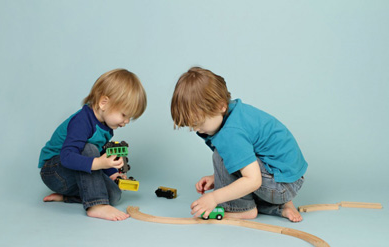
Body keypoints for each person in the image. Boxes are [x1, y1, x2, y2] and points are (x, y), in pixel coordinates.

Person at [171, 67, 307, 222]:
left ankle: (241, 209)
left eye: (199, 123)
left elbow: (253, 180)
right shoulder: (234, 112)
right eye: (191, 125)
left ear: (221, 106)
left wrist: (214, 198)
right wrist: (217, 177)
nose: (196, 129)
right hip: (289, 179)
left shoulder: (230, 133)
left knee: (222, 153)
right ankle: (282, 206)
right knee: (233, 159)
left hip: (281, 186)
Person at [38, 69, 147, 221]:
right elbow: (67, 157)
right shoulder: (82, 121)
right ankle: (96, 206)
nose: (127, 121)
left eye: (130, 117)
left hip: (73, 175)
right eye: (124, 115)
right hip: (55, 171)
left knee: (114, 195)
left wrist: (113, 173)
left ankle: (68, 197)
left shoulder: (106, 127)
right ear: (104, 103)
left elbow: (101, 153)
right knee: (89, 148)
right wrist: (99, 162)